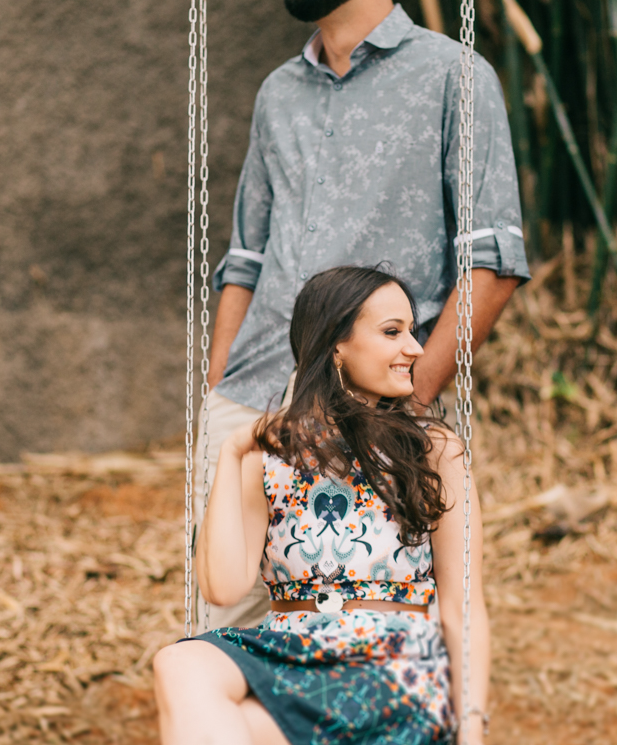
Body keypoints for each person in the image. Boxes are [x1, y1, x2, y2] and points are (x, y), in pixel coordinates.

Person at [198, 0, 530, 630]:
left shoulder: (453, 77)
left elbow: (491, 263)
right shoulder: (277, 93)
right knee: (226, 627)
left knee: (357, 639)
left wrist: (404, 404)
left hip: (368, 411)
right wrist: (219, 389)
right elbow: (246, 257)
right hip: (249, 402)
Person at [156, 266, 489, 745]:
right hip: (291, 655)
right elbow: (222, 590)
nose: (416, 348)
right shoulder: (270, 454)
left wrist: (471, 725)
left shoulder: (432, 450)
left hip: (391, 659)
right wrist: (231, 454)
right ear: (336, 345)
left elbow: (463, 606)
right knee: (180, 662)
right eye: (393, 332)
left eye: (411, 331)